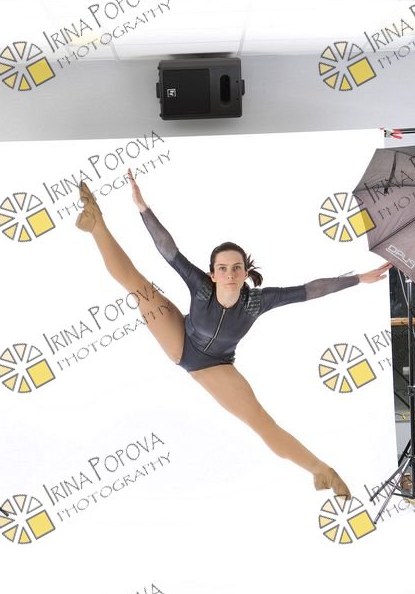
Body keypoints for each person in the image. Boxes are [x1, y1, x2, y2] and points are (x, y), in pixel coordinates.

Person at [76, 171, 390, 499]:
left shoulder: (257, 301)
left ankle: (322, 470)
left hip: (213, 365)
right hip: (179, 336)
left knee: (262, 423)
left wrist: (358, 278)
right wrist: (142, 207)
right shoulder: (201, 285)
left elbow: (311, 289)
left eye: (236, 268)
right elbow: (167, 247)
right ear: (212, 274)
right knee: (137, 285)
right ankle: (96, 222)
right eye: (222, 268)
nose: (229, 274)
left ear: (245, 273)